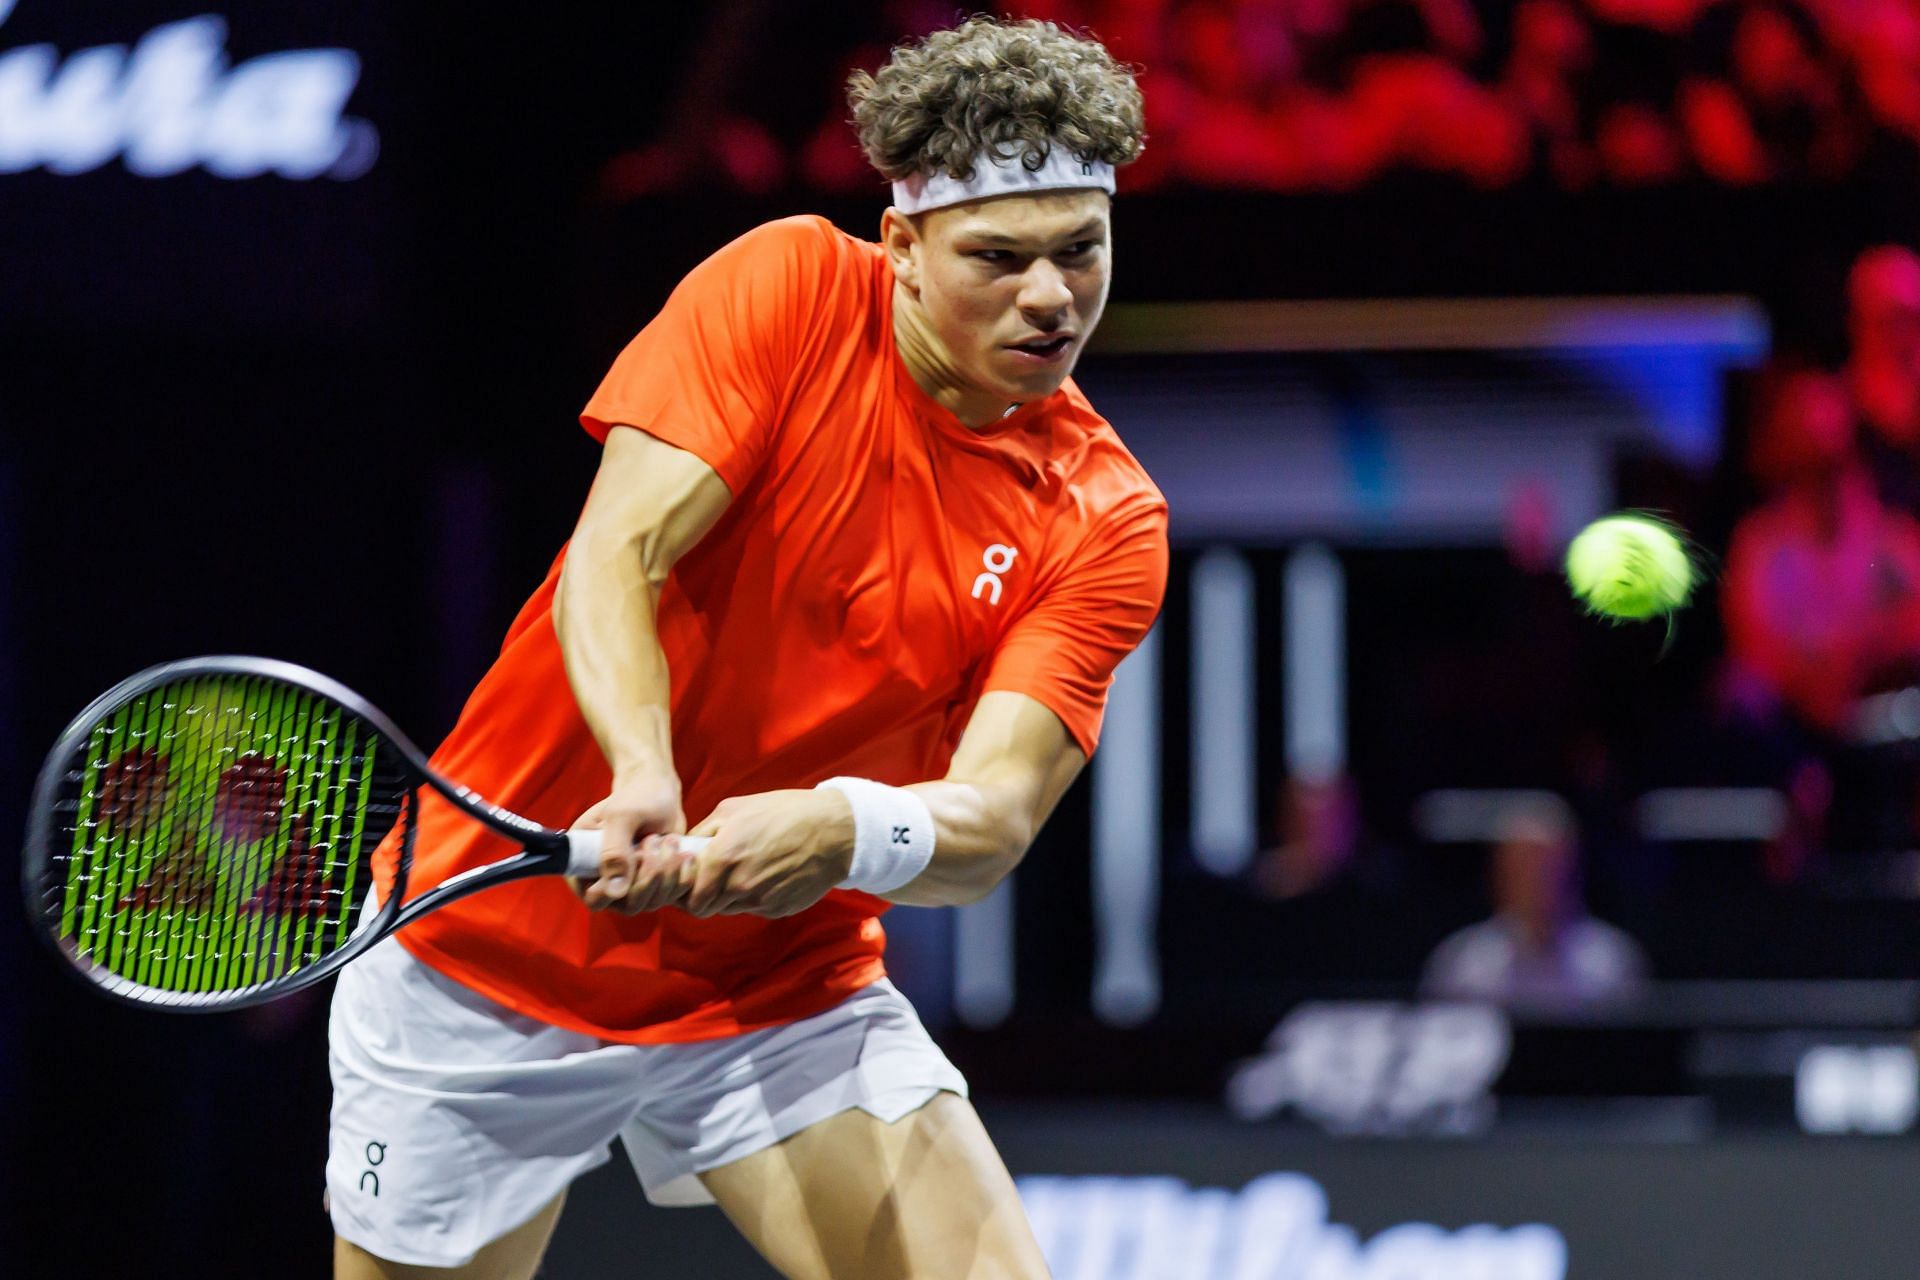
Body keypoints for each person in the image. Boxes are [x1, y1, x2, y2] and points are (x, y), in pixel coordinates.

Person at [326, 17, 1166, 1280]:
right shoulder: (786, 287)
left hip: (785, 987)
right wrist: (642, 774)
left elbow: (990, 819)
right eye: (999, 257)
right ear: (902, 245)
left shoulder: (1107, 517)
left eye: (1079, 252)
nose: (1049, 298)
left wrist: (835, 829)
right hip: (485, 950)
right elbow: (620, 553)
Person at [1420, 795, 1649, 1016]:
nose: (1536, 876)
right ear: (1498, 874)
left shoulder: (1612, 960)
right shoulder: (1464, 964)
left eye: (1550, 863)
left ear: (1574, 868)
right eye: (1523, 863)